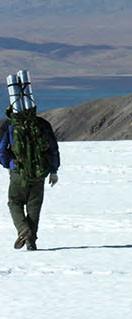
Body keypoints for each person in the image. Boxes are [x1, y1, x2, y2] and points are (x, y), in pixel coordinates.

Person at [0, 105, 60, 251]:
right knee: (34, 207)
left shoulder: (9, 125)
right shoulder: (42, 124)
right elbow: (53, 148)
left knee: (15, 202)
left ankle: (22, 229)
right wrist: (53, 170)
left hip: (18, 173)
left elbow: (2, 148)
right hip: (39, 173)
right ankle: (31, 243)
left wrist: (8, 164)